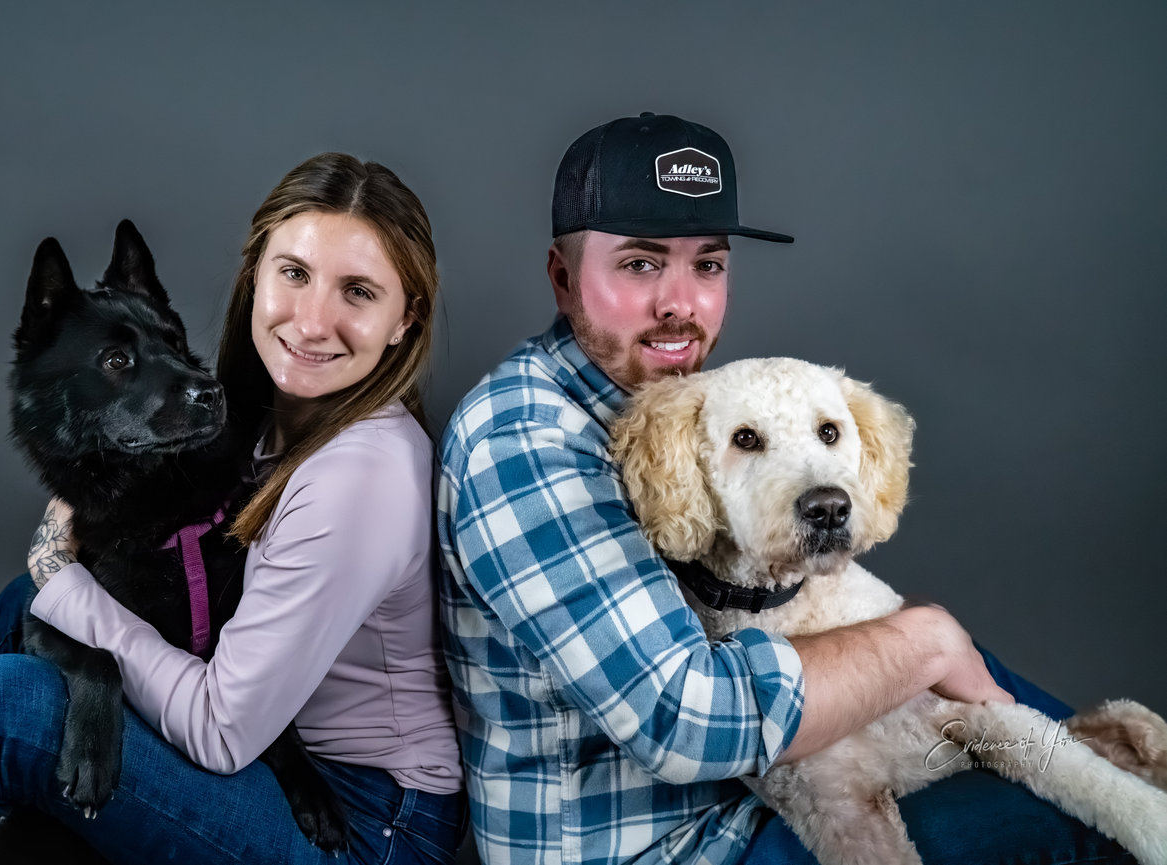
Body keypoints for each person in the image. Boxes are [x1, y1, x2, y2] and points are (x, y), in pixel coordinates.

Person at [434, 113, 1132, 864]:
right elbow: (683, 720)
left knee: (1076, 751)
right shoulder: (525, 441)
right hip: (672, 844)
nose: (681, 303)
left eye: (706, 264)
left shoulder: (674, 408)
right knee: (1075, 814)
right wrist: (918, 640)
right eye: (639, 264)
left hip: (758, 789)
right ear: (562, 276)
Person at [0, 152, 466, 864]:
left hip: (367, 825)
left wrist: (61, 575)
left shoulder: (360, 475)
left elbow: (220, 729)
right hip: (282, 765)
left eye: (359, 291)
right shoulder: (263, 416)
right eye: (295, 274)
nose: (312, 320)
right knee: (20, 609)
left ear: (406, 319)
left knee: (1, 701)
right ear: (255, 275)